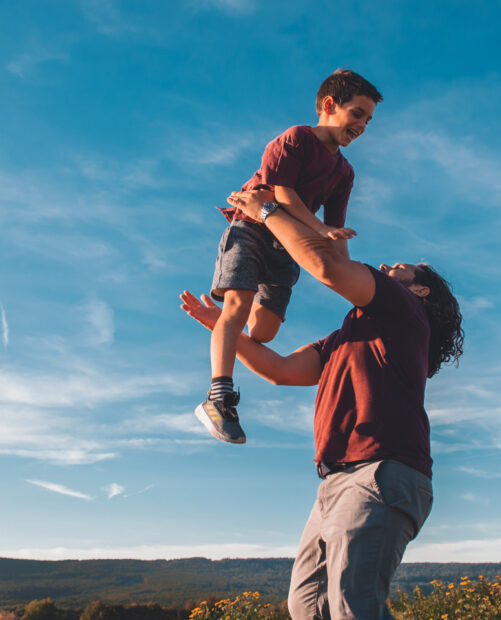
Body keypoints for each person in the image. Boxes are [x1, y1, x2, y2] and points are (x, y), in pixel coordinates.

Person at [180, 187, 464, 619]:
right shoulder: (346, 337)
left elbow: (328, 267)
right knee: (308, 606)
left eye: (400, 268)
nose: (387, 267)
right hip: (337, 480)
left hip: (381, 472)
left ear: (420, 291)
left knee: (354, 606)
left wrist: (268, 211)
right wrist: (223, 327)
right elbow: (280, 370)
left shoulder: (404, 307)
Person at [196, 69, 383, 445]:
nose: (362, 125)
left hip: (287, 247)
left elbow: (337, 232)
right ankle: (219, 396)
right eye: (357, 113)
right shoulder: (296, 139)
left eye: (369, 120)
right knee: (237, 306)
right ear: (329, 106)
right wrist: (318, 230)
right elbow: (282, 195)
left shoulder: (344, 172)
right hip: (251, 227)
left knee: (263, 333)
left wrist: (352, 281)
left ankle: (225, 323)